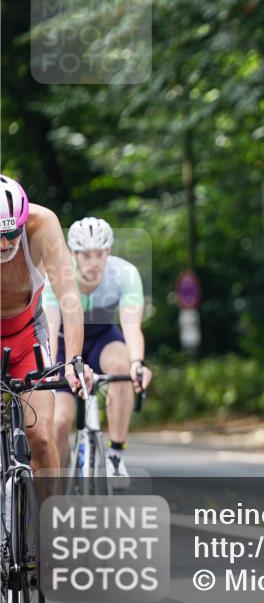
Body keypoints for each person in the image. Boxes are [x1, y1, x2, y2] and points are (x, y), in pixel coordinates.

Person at [43, 217, 151, 481]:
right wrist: (50, 370)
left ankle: (115, 453)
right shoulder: (56, 276)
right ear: (73, 254)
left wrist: (138, 363)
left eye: (100, 254)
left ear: (109, 252)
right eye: (86, 255)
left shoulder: (124, 274)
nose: (94, 262)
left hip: (103, 338)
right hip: (64, 345)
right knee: (59, 422)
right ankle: (57, 489)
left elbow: (131, 326)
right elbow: (50, 327)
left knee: (122, 366)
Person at [0, 173, 89, 480]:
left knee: (40, 437)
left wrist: (73, 361)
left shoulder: (44, 225)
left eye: (12, 233)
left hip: (28, 336)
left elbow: (69, 297)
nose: (4, 243)